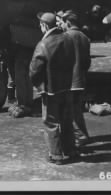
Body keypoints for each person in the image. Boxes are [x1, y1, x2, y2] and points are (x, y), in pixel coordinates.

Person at [29, 12, 76, 165]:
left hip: (51, 90)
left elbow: (34, 70)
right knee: (67, 120)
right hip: (67, 87)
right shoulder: (68, 39)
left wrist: (38, 85)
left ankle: (56, 155)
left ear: (44, 25)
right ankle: (71, 150)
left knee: (51, 122)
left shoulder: (43, 44)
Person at [62, 11, 91, 147]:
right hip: (81, 80)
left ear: (67, 23)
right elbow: (87, 62)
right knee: (77, 109)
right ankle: (81, 134)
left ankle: (80, 136)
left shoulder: (65, 36)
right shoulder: (85, 37)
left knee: (70, 111)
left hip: (69, 81)